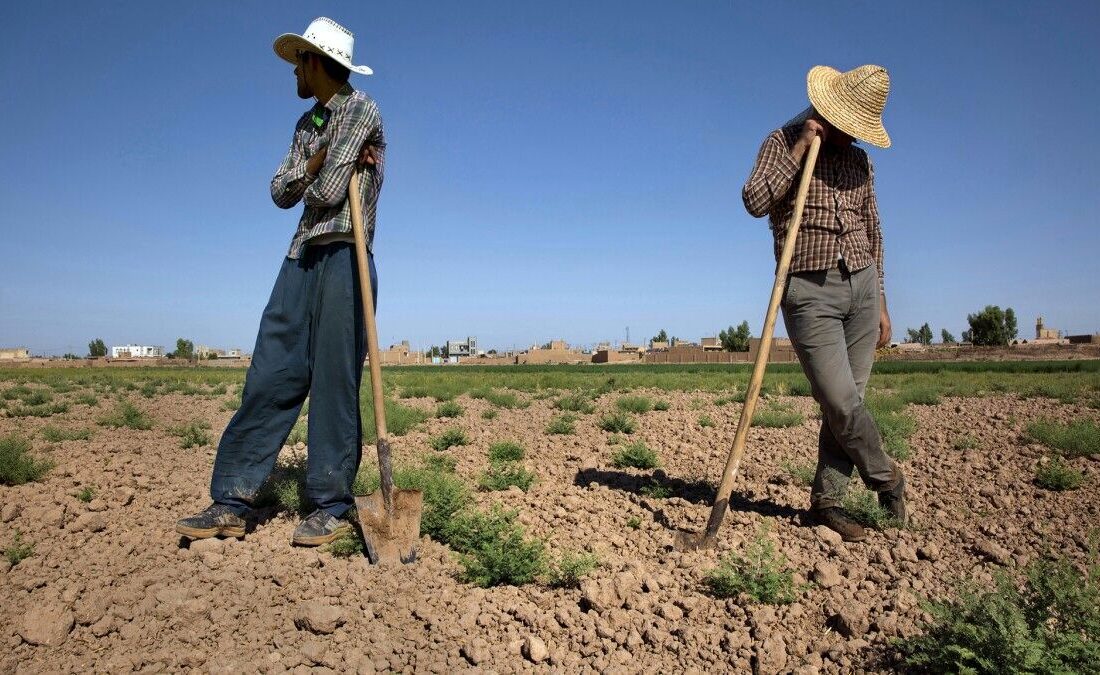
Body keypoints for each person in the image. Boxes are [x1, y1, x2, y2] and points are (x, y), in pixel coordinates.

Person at [176, 17, 385, 546]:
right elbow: (279, 191)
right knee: (271, 372)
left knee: (335, 383)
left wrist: (314, 173)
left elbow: (327, 192)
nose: (293, 70)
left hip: (346, 255)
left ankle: (330, 505)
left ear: (316, 62)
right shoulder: (305, 126)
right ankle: (231, 499)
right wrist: (317, 161)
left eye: (299, 61)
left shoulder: (363, 109)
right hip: (299, 257)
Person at [742, 65, 905, 542]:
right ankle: (888, 478)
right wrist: (798, 150)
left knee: (848, 403)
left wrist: (882, 302)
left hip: (863, 284)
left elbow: (873, 230)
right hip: (807, 289)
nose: (847, 136)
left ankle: (827, 501)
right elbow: (755, 200)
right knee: (838, 399)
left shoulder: (860, 163)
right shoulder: (781, 141)